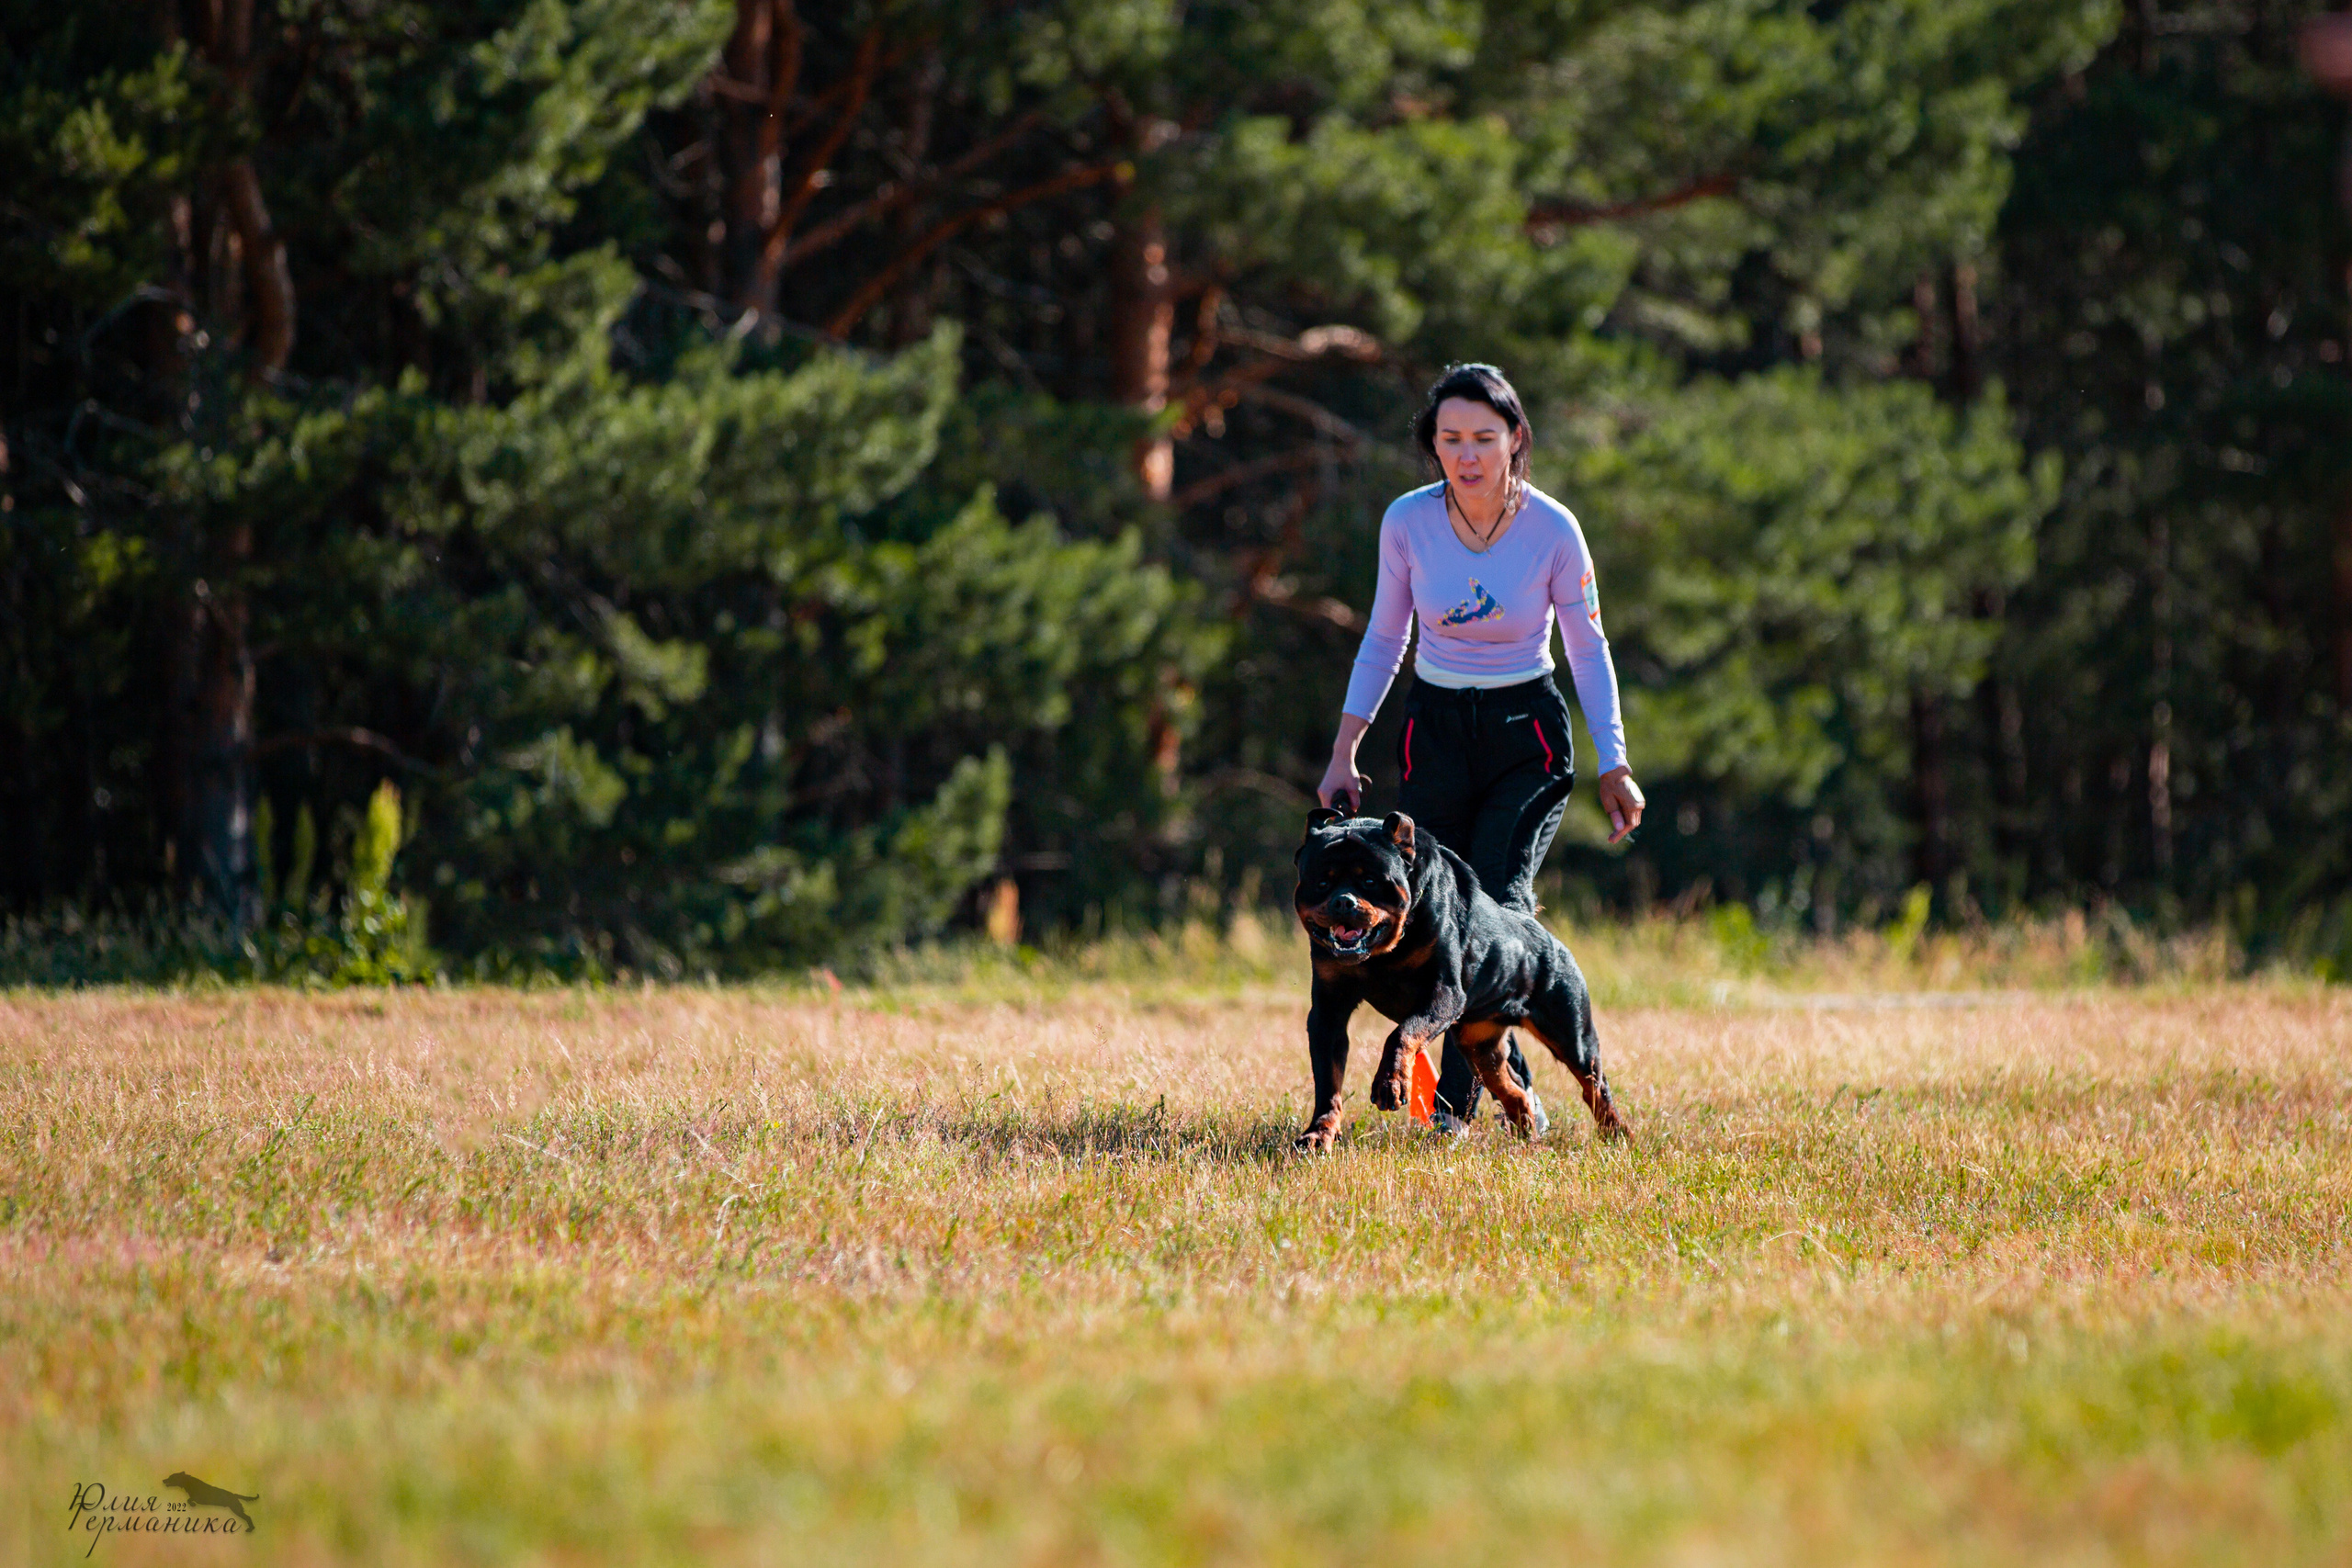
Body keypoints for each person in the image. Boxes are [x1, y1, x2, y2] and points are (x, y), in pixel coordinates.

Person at [1316, 363, 1645, 1134]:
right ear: (1433, 445)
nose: (1467, 455)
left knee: (1494, 899)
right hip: (1432, 728)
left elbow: (1588, 650)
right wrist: (1345, 748)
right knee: (1437, 911)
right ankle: (1503, 1096)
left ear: (1515, 440)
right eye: (1451, 438)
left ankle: (1456, 1111)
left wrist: (1616, 761)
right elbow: (1383, 636)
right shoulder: (1407, 521)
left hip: (1523, 733)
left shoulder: (1554, 529)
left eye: (1484, 439)